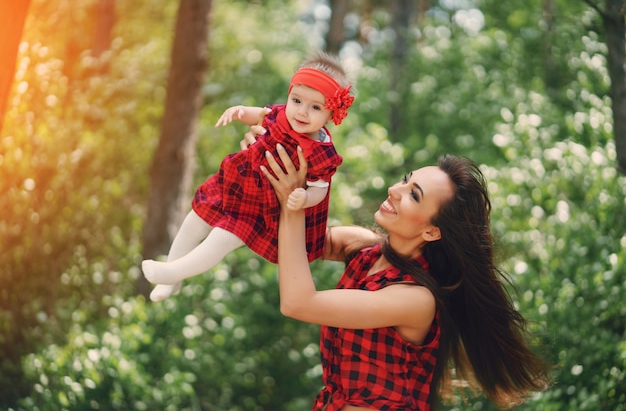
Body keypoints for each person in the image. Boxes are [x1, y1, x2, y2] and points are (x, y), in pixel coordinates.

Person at [260, 144, 550, 411]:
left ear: (432, 231)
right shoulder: (362, 247)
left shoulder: (416, 298)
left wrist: (292, 202)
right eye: (405, 179)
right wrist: (271, 151)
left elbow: (297, 303)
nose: (394, 190)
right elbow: (282, 239)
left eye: (414, 195)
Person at [142, 51, 355, 302]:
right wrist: (239, 111)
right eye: (296, 101)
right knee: (194, 219)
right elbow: (259, 114)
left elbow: (320, 188)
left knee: (220, 238)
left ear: (332, 115)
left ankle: (172, 272)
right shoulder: (280, 114)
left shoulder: (321, 152)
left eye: (315, 107)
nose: (301, 112)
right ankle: (171, 279)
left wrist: (305, 197)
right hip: (237, 184)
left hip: (263, 206)